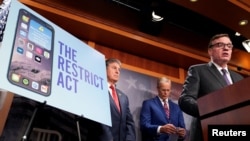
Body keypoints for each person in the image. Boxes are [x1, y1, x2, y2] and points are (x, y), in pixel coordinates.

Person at [178, 33, 244, 141]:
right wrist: (209, 110)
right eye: (220, 45)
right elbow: (185, 100)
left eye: (229, 46)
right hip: (206, 132)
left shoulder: (239, 78)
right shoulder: (198, 71)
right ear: (210, 51)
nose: (226, 48)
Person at [140, 76, 186, 141]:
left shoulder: (177, 108)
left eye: (168, 90)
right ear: (158, 89)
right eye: (163, 90)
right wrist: (160, 129)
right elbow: (144, 126)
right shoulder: (148, 104)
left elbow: (183, 130)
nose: (166, 93)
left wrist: (182, 134)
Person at [105, 58, 136, 141]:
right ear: (105, 70)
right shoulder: (98, 90)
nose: (117, 71)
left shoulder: (123, 97)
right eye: (114, 68)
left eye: (119, 69)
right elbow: (98, 120)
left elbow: (129, 122)